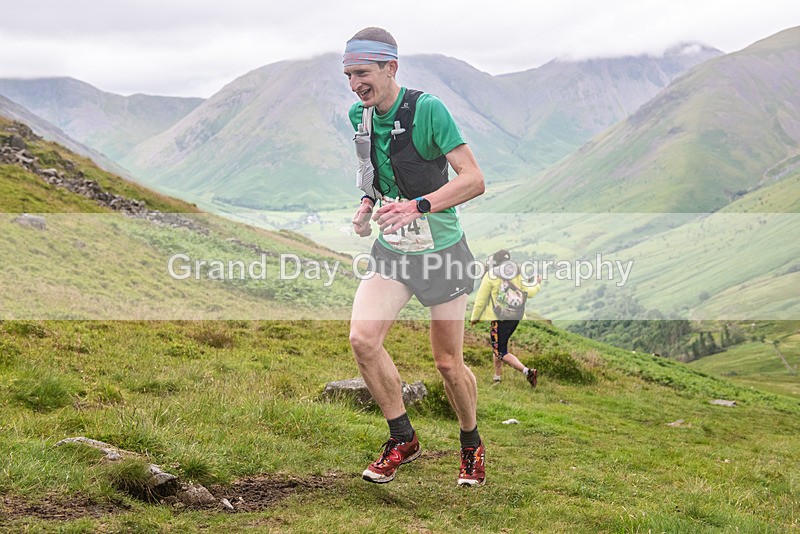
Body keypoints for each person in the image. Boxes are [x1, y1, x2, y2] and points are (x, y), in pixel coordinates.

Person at [343, 27, 487, 487]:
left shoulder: (428, 110)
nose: (354, 85)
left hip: (442, 251)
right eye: (348, 75)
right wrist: (368, 206)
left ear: (391, 68)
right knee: (363, 340)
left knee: (447, 363)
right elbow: (374, 174)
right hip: (393, 250)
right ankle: (402, 438)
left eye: (362, 73)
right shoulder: (359, 115)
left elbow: (473, 179)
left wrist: (418, 205)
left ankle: (471, 443)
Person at [470, 250, 542, 386]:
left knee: (500, 351)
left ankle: (528, 372)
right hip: (515, 317)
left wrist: (475, 318)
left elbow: (481, 300)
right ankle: (497, 377)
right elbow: (530, 292)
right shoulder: (516, 273)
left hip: (499, 319)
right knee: (499, 346)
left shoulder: (490, 275)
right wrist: (537, 283)